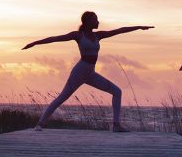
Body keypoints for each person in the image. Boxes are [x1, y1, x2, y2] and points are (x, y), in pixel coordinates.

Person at [22, 11, 153, 132]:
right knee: (62, 97)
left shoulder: (98, 35)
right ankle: (40, 124)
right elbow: (55, 38)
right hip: (79, 72)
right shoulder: (78, 35)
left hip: (90, 73)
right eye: (95, 19)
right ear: (87, 22)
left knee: (117, 92)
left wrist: (139, 27)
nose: (98, 22)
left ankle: (116, 125)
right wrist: (34, 43)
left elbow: (119, 31)